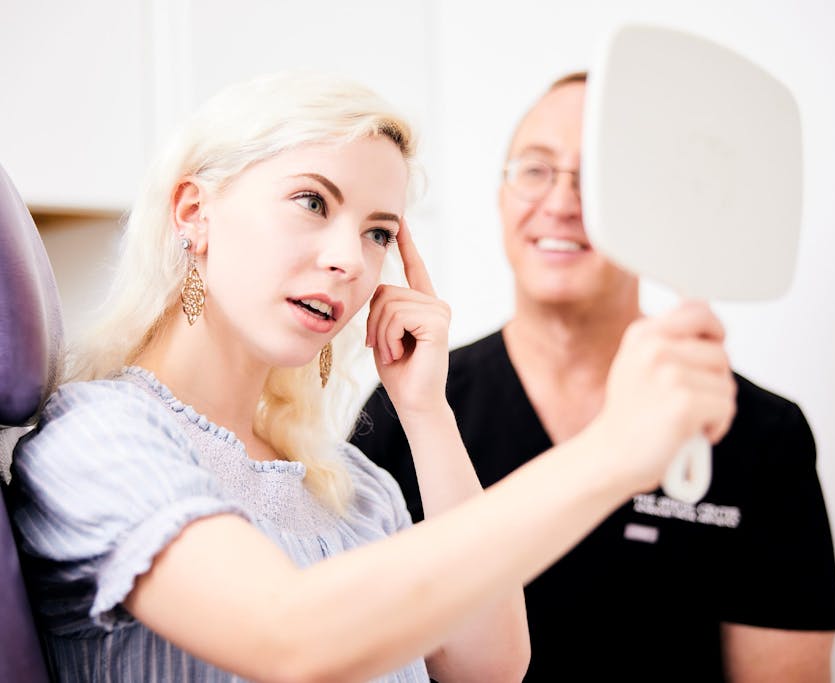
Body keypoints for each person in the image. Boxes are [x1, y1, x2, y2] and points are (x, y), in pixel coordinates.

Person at [8, 71, 735, 683]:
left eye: (377, 231)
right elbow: (287, 634)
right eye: (312, 202)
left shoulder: (350, 485)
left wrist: (428, 413)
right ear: (195, 213)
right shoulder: (96, 440)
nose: (351, 259)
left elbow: (490, 664)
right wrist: (612, 452)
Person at [352, 72, 835, 682]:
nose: (560, 203)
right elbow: (342, 643)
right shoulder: (415, 404)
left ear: (654, 213)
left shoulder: (759, 433)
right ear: (501, 197)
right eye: (534, 170)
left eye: (598, 179)